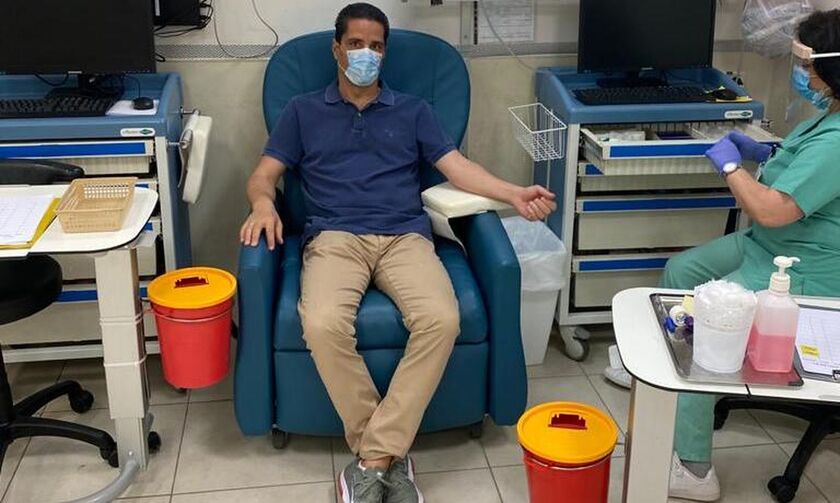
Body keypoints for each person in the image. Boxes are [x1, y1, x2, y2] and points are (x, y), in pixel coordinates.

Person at [239, 4, 557, 503]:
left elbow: (458, 168)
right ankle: (388, 456)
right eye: (356, 44)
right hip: (334, 239)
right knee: (320, 323)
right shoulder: (303, 110)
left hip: (404, 237)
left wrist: (514, 193)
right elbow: (263, 175)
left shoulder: (413, 111)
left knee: (442, 319)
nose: (366, 54)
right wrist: (262, 204)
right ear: (337, 49)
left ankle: (372, 460)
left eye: (376, 46)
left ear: (385, 53)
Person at [663, 11, 840, 501]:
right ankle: (664, 375)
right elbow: (804, 167)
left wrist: (730, 168)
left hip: (802, 267)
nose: (799, 72)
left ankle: (694, 469)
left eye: (806, 63)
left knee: (704, 323)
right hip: (770, 245)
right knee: (681, 270)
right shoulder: (831, 113)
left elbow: (771, 210)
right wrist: (768, 154)